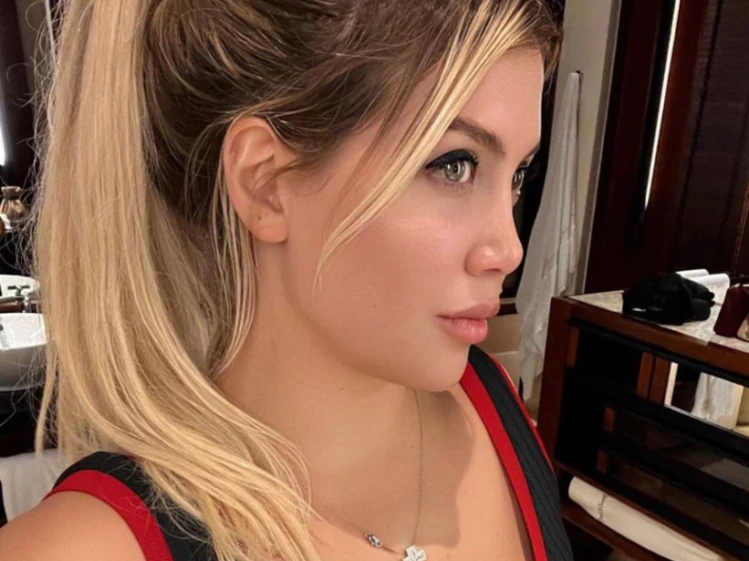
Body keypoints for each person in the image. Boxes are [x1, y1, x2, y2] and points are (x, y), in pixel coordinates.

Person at [0, 0, 572, 560]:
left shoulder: (493, 407)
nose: (509, 250)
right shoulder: (83, 549)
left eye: (517, 174)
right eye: (454, 165)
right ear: (266, 183)